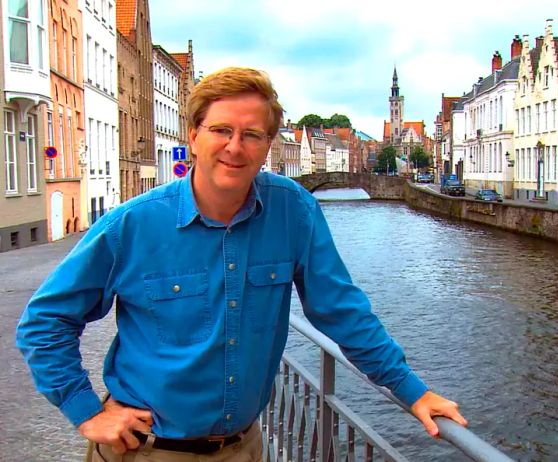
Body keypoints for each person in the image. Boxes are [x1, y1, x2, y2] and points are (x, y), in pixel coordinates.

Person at [16, 67, 467, 462]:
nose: (235, 146)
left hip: (243, 449)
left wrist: (412, 391)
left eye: (251, 134)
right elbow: (44, 322)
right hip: (148, 452)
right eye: (221, 130)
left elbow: (342, 311)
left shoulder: (293, 211)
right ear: (193, 135)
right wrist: (87, 411)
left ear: (268, 144)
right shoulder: (132, 225)